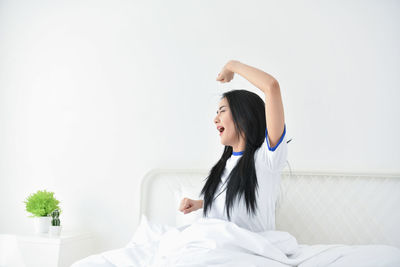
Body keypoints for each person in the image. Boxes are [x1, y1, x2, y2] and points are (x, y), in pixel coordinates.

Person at [178, 60, 288, 232]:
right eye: (216, 113)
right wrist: (200, 204)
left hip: (249, 252)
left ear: (244, 116)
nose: (215, 119)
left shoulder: (266, 158)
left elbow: (271, 86)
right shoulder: (226, 164)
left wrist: (231, 66)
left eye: (222, 110)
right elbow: (233, 207)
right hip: (218, 245)